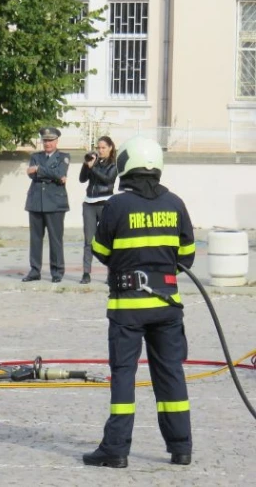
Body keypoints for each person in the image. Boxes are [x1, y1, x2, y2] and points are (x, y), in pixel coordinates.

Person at [83, 136, 195, 469]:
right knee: (170, 373)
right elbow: (187, 257)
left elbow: (100, 252)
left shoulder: (117, 205)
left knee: (123, 375)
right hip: (167, 306)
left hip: (127, 308)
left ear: (127, 165)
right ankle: (181, 447)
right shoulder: (176, 204)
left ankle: (116, 450)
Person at [23, 127, 70, 283]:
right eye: (45, 140)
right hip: (36, 201)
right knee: (35, 239)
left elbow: (60, 174)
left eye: (50, 140)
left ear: (57, 141)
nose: (48, 143)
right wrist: (51, 174)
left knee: (55, 239)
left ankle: (57, 272)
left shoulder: (63, 157)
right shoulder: (35, 156)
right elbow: (37, 176)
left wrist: (39, 170)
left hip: (55, 203)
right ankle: (35, 270)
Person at [78, 136, 118, 284]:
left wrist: (92, 167)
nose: (100, 151)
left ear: (110, 148)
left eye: (103, 148)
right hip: (89, 203)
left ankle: (111, 273)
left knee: (108, 240)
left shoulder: (113, 165)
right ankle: (86, 273)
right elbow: (82, 179)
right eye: (98, 148)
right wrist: (86, 164)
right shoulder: (94, 162)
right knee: (88, 241)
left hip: (105, 203)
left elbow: (107, 180)